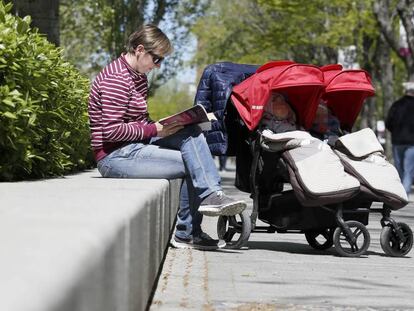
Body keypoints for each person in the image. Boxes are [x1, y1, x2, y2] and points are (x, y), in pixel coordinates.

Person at [88, 24, 247, 250]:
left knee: (192, 133)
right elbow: (111, 131)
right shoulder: (116, 78)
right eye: (157, 59)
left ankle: (208, 202)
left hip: (135, 146)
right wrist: (155, 129)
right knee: (193, 163)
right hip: (115, 157)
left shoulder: (138, 77)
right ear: (140, 50)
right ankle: (188, 231)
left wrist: (173, 124)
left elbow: (138, 121)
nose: (158, 66)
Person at [385, 81, 414, 196]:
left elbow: (388, 122)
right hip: (412, 142)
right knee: (409, 168)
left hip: (397, 141)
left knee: (399, 167)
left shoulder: (396, 104)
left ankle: (399, 190)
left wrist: (395, 132)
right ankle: (405, 191)